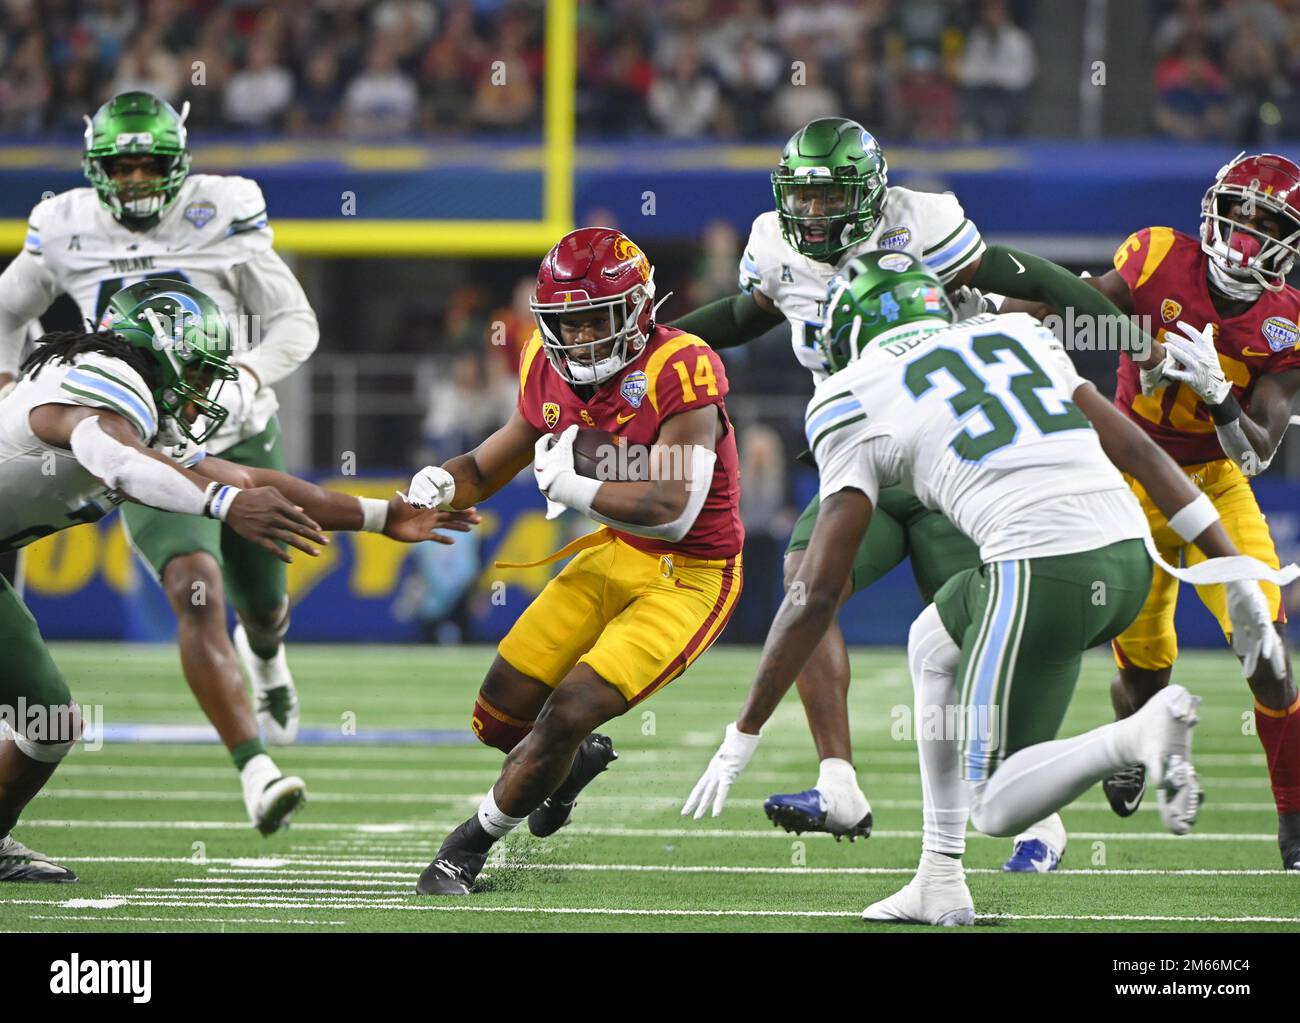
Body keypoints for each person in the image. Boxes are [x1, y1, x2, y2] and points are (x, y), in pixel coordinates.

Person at [682, 252, 1287, 924]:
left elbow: (816, 593)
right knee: (931, 644)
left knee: (996, 803)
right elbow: (1142, 452)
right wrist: (1232, 568)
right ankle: (939, 877)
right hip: (1126, 551)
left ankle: (1136, 734)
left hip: (1040, 567)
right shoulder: (1018, 336)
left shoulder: (849, 395)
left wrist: (745, 730)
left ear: (849, 331)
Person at [669, 116, 1161, 870]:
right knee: (806, 590)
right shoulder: (773, 241)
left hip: (951, 457)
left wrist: (1120, 333)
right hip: (862, 451)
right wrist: (658, 345)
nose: (813, 215)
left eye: (832, 198)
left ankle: (1042, 811)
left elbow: (1021, 275)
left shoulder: (922, 219)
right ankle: (840, 783)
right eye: (802, 198)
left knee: (981, 634)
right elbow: (746, 315)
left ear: (871, 195)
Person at [0, 280, 476, 879]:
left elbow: (251, 481)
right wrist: (221, 505)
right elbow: (118, 461)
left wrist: (382, 515)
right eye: (198, 372)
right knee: (48, 719)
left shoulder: (137, 410)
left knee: (49, 722)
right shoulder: (102, 385)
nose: (204, 391)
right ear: (166, 352)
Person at [0, 92, 322, 833]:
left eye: (151, 164)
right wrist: (9, 382)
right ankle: (255, 768)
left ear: (179, 165)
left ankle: (267, 654)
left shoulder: (224, 208)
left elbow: (295, 323)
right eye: (123, 165)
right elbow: (8, 308)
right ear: (95, 166)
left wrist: (242, 378)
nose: (138, 180)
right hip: (133, 431)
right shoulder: (63, 224)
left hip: (230, 423)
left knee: (264, 605)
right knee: (194, 586)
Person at [402, 227, 743, 895]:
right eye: (568, 321)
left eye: (595, 318)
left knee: (569, 708)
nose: (581, 337)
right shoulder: (544, 363)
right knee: (499, 714)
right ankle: (568, 766)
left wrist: (573, 485)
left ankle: (464, 848)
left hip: (693, 575)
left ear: (639, 308)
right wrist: (437, 487)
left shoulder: (682, 366)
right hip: (617, 550)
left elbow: (673, 507)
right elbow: (484, 463)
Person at [1003, 152, 1300, 871]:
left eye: (1270, 224)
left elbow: (1257, 451)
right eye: (1241, 213)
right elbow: (1076, 302)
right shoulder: (1159, 256)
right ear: (1214, 209)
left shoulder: (1285, 322)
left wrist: (1218, 392)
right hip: (1129, 475)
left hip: (1215, 481)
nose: (1249, 235)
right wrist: (1015, 320)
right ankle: (1131, 734)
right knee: (1146, 673)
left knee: (1266, 652)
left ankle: (1294, 823)